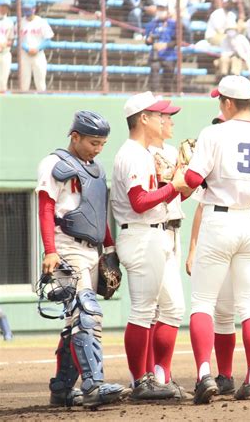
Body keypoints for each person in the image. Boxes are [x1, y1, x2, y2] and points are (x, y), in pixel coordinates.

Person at [181, 75, 250, 404]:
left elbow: (191, 179)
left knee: (203, 302)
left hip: (219, 219)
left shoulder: (214, 132)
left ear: (228, 103)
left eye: (220, 101)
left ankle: (204, 375)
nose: (220, 105)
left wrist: (187, 170)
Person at [36, 111, 130, 408]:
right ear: (74, 136)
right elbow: (45, 208)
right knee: (87, 312)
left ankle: (63, 389)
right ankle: (92, 386)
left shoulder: (96, 168)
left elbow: (97, 214)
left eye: (103, 143)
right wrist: (50, 249)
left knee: (74, 321)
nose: (98, 148)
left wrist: (110, 249)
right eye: (93, 142)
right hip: (65, 245)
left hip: (92, 250)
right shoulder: (54, 163)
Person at [110, 92, 189, 400]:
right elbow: (139, 201)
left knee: (172, 308)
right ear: (143, 118)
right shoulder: (131, 153)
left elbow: (161, 197)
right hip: (140, 234)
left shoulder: (144, 153)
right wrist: (173, 187)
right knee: (143, 311)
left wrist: (182, 185)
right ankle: (141, 381)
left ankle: (157, 376)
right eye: (158, 115)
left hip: (154, 234)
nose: (163, 119)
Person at [145, 98, 187, 399]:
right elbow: (159, 192)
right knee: (163, 308)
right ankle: (153, 375)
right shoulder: (144, 153)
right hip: (152, 234)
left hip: (173, 230)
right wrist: (182, 176)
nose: (171, 122)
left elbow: (175, 197)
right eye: (166, 117)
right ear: (151, 120)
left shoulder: (170, 152)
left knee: (162, 309)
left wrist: (191, 179)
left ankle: (160, 375)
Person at [20, 0, 54, 92]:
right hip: (25, 55)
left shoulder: (41, 22)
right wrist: (26, 48)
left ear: (34, 9)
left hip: (38, 55)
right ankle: (22, 103)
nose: (26, 10)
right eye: (25, 8)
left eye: (29, 8)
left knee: (40, 83)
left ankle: (42, 103)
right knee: (24, 84)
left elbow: (48, 40)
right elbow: (16, 40)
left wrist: (38, 48)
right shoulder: (20, 22)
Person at [145, 0, 177, 93]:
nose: (160, 11)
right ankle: (154, 95)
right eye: (159, 8)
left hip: (169, 56)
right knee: (154, 72)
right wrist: (149, 40)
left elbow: (177, 41)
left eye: (163, 9)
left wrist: (166, 45)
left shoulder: (173, 24)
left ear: (167, 10)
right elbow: (147, 41)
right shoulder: (152, 24)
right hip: (155, 56)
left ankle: (167, 94)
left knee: (168, 78)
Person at [0, 0, 13, 92]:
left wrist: (3, 45)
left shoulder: (9, 22)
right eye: (2, 6)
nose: (5, 9)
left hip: (4, 54)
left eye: (6, 7)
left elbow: (11, 40)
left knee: (2, 82)